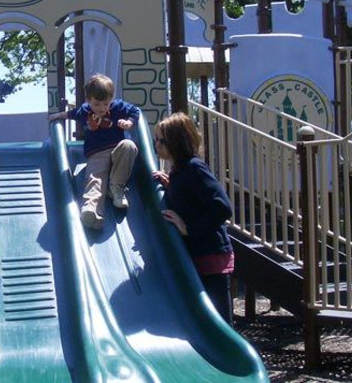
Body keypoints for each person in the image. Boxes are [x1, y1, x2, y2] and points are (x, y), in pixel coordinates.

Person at [152, 112, 235, 323]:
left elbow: (223, 207)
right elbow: (190, 199)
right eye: (156, 140)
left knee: (218, 319)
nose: (157, 145)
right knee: (202, 318)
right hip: (195, 255)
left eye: (162, 140)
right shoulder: (178, 172)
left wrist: (188, 227)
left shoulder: (194, 168)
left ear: (177, 142)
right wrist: (170, 186)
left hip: (209, 254)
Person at [49, 74, 139, 229]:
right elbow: (70, 114)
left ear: (111, 99)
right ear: (89, 100)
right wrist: (56, 116)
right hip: (97, 153)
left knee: (129, 145)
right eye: (97, 104)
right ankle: (91, 210)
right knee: (95, 178)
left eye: (105, 104)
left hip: (116, 150)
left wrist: (129, 122)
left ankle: (116, 188)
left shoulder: (117, 107)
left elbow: (135, 111)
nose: (102, 108)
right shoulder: (85, 111)